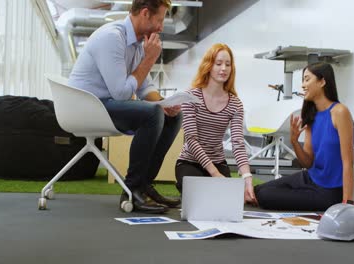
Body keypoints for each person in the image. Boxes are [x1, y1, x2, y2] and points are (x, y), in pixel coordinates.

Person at [68, 0, 182, 214]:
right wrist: (149, 59)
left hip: (105, 105)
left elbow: (144, 87)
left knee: (171, 116)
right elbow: (121, 93)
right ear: (146, 13)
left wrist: (165, 104)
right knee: (152, 114)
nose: (160, 27)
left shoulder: (139, 44)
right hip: (86, 107)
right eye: (159, 20)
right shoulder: (112, 38)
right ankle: (131, 191)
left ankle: (144, 186)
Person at [254, 62, 354, 211]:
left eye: (307, 79)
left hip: (328, 192)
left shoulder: (340, 112)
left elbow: (348, 163)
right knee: (258, 190)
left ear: (322, 81)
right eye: (303, 80)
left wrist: (348, 204)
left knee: (264, 196)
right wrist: (294, 141)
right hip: (310, 178)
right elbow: (307, 163)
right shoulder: (311, 114)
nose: (303, 85)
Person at [175, 43, 257, 204]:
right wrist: (214, 174)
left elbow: (238, 144)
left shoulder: (235, 104)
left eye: (228, 64)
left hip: (218, 162)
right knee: (201, 199)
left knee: (225, 202)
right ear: (208, 65)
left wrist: (247, 178)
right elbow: (191, 140)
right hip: (190, 162)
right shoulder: (190, 97)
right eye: (218, 63)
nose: (223, 68)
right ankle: (187, 189)